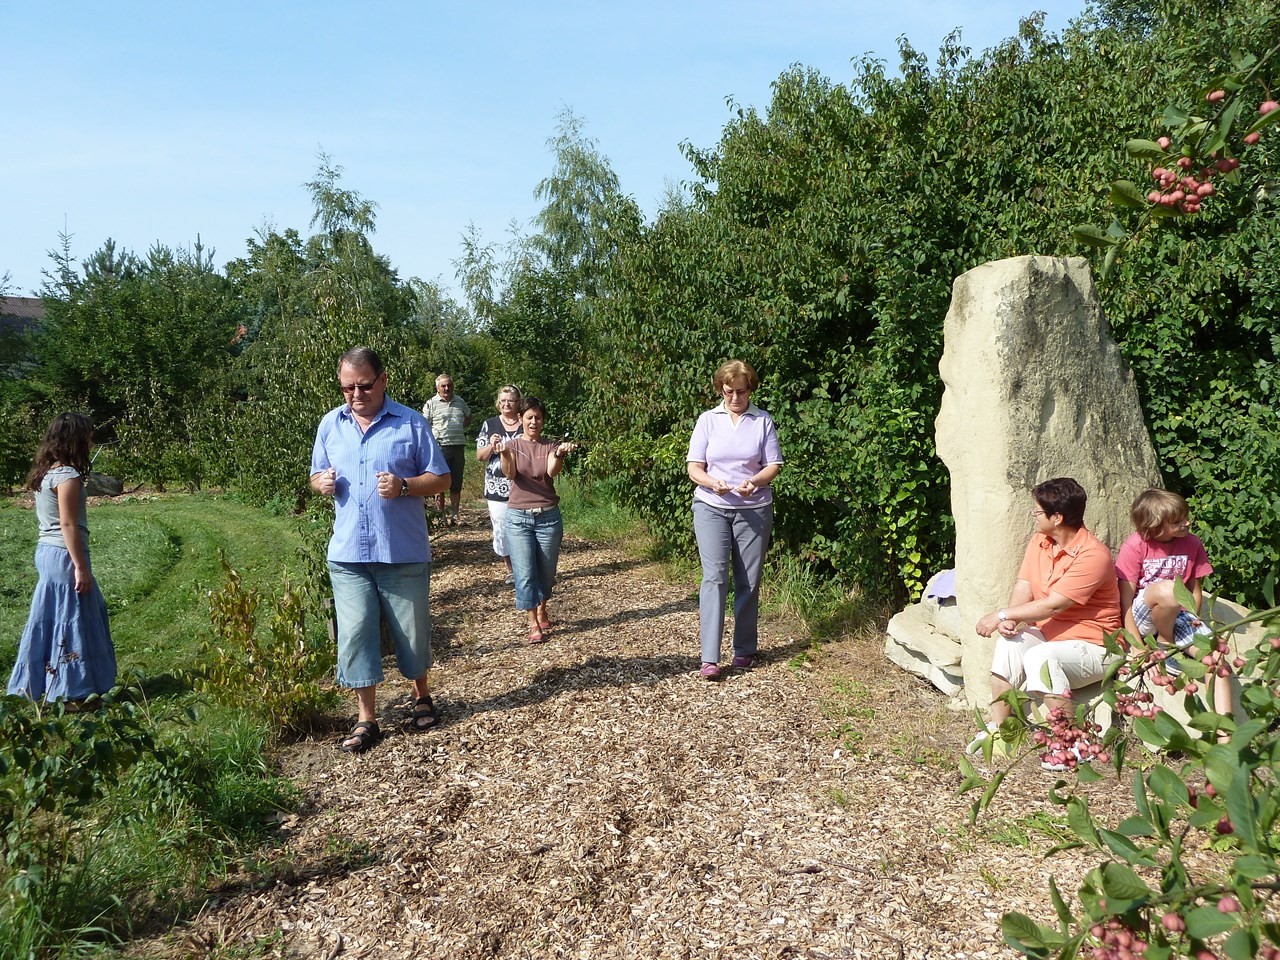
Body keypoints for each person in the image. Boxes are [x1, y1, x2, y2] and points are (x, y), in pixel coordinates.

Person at [310, 347, 452, 753]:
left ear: (383, 380)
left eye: (364, 385)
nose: (356, 394)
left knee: (412, 631)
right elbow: (316, 472)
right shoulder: (330, 425)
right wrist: (319, 483)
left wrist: (406, 486)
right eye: (347, 387)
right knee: (354, 635)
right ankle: (366, 718)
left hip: (402, 551)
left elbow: (441, 478)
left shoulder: (410, 422)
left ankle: (421, 696)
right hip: (348, 554)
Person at [970, 478, 1122, 766]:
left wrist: (1002, 614)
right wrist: (1011, 620)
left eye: (1037, 512)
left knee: (1040, 655)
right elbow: (1024, 584)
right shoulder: (1040, 541)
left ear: (1057, 517)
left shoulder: (1094, 555)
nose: (1032, 515)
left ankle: (1073, 742)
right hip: (1052, 637)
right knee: (1010, 643)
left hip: (1096, 648)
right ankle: (1001, 731)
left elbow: (1055, 603)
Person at [7, 412, 117, 702]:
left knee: (52, 617)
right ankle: (71, 690)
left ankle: (39, 684)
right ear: (76, 439)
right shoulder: (67, 476)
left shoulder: (47, 474)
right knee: (71, 620)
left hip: (47, 551)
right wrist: (81, 567)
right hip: (64, 554)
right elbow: (67, 524)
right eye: (89, 436)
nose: (92, 441)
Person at [686, 360, 783, 679]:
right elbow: (694, 467)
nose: (735, 398)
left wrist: (754, 482)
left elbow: (773, 465)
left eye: (741, 391)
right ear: (720, 390)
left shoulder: (762, 420)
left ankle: (743, 649)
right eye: (729, 392)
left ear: (750, 389)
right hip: (711, 506)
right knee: (714, 578)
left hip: (753, 509)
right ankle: (709, 657)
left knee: (748, 581)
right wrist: (712, 482)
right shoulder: (707, 421)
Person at [1116, 488, 1232, 726]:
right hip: (1144, 615)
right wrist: (1138, 648)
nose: (1187, 523)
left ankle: (1224, 736)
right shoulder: (1135, 545)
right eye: (1177, 521)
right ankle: (1166, 646)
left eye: (1185, 517)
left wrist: (1195, 624)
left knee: (1218, 659)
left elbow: (1194, 589)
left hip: (1177, 616)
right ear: (1155, 527)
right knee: (1168, 589)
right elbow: (1125, 601)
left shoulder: (1192, 544)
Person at [494, 397, 578, 643]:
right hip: (518, 518)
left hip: (548, 518)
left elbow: (552, 470)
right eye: (529, 417)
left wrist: (561, 453)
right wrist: (505, 454)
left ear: (543, 421)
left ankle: (542, 606)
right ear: (520, 419)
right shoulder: (511, 445)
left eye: (538, 417)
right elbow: (510, 474)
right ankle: (532, 622)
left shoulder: (550, 445)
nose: (533, 422)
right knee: (524, 572)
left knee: (546, 571)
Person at [475, 385, 524, 585]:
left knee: (524, 527)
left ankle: (527, 567)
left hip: (523, 485)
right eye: (502, 400)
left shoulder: (525, 422)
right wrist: (491, 447)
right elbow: (480, 456)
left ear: (518, 402)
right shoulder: (490, 424)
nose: (506, 404)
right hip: (497, 487)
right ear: (498, 403)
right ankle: (511, 569)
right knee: (502, 529)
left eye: (510, 400)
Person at [422, 373, 471, 525]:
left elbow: (468, 416)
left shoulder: (460, 401)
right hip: (440, 447)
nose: (447, 388)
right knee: (439, 482)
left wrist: (459, 428)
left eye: (449, 385)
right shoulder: (431, 403)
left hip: (458, 446)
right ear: (437, 388)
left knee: (456, 483)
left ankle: (455, 516)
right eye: (443, 386)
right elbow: (424, 424)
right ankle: (441, 516)